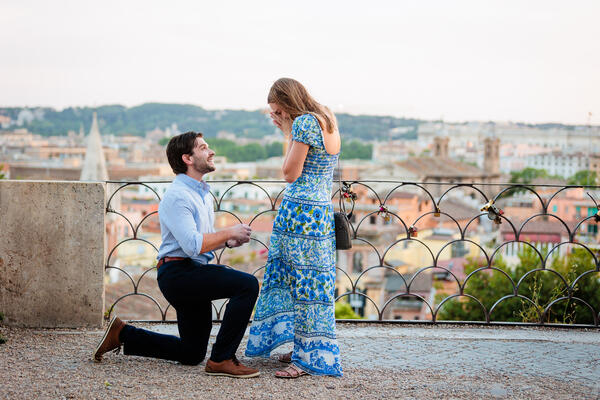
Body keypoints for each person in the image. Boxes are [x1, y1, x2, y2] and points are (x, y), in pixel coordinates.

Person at [93, 131, 260, 379]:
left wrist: (228, 241)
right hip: (179, 274)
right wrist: (226, 233)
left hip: (192, 271)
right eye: (203, 148)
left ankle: (123, 334)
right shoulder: (177, 196)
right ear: (188, 158)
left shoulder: (202, 193)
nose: (211, 151)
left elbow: (199, 241)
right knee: (247, 285)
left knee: (191, 353)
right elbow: (192, 245)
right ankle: (222, 359)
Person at [245, 78, 343, 378]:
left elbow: (289, 173)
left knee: (299, 282)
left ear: (288, 105)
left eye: (278, 111)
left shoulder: (302, 124)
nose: (278, 117)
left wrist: (288, 133)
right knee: (314, 283)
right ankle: (307, 348)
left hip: (300, 214)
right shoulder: (328, 119)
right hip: (321, 212)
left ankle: (306, 360)